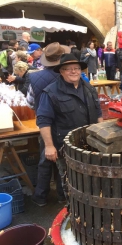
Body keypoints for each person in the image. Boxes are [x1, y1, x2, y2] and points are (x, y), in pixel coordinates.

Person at [34, 53, 103, 206]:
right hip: (63, 143)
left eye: (76, 68)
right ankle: (66, 203)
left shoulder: (89, 89)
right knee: (66, 175)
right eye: (68, 69)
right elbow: (43, 121)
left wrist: (100, 135)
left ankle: (77, 201)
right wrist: (49, 146)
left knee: (83, 175)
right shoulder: (51, 92)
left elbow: (98, 113)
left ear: (81, 70)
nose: (73, 71)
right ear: (61, 71)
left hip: (86, 142)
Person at [27, 42, 71, 207]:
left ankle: (40, 197)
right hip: (65, 123)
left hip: (44, 123)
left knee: (45, 160)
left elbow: (30, 102)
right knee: (64, 159)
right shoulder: (68, 75)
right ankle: (62, 195)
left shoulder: (33, 76)